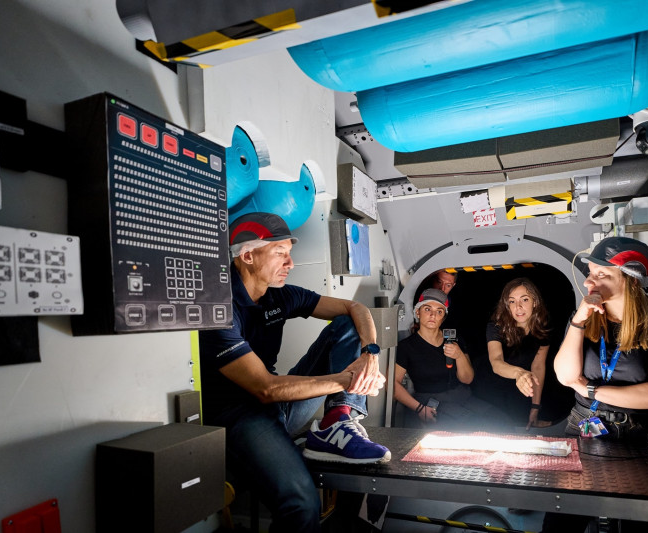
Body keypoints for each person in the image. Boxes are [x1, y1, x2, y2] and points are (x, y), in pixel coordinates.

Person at [198, 212, 390, 533]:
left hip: (277, 407)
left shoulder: (280, 295)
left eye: (290, 253)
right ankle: (336, 417)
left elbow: (355, 309)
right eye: (280, 253)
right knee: (302, 503)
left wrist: (371, 354)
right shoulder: (220, 307)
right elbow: (264, 388)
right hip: (238, 415)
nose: (290, 262)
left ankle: (338, 419)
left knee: (345, 324)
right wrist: (349, 378)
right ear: (247, 255)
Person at [544, 236, 648, 532]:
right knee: (560, 521)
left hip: (637, 432)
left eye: (601, 274)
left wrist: (593, 390)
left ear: (632, 280)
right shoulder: (586, 318)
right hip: (584, 424)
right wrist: (578, 321)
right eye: (589, 273)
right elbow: (565, 376)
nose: (588, 282)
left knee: (640, 522)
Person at [393, 288, 496, 430]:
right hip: (431, 401)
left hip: (462, 397)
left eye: (439, 311)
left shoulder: (453, 339)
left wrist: (459, 355)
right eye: (427, 309)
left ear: (443, 317)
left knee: (498, 419)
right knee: (473, 424)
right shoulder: (407, 346)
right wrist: (419, 409)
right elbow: (393, 385)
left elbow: (467, 379)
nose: (433, 315)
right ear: (418, 312)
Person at [485, 277, 551, 429]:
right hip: (492, 385)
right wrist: (519, 373)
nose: (518, 307)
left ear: (535, 302)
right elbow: (496, 362)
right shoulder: (496, 326)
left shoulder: (543, 327)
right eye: (512, 301)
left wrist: (535, 407)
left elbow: (538, 367)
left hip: (523, 386)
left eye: (525, 300)